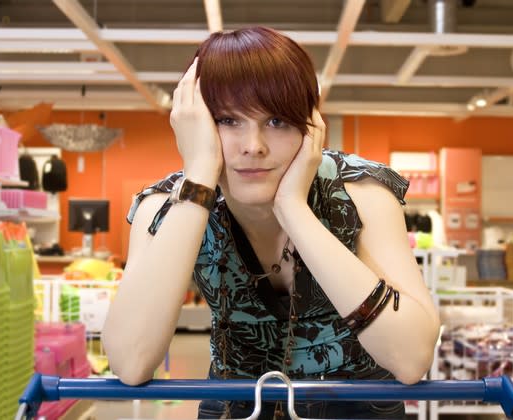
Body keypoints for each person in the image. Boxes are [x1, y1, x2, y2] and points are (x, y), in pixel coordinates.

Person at [102, 26, 440, 419]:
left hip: (359, 406)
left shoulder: (359, 193)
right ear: (193, 123)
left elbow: (412, 357)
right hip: (236, 405)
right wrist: (197, 183)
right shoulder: (164, 206)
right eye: (228, 120)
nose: (253, 145)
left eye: (277, 120)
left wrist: (294, 209)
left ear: (309, 124)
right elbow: (130, 362)